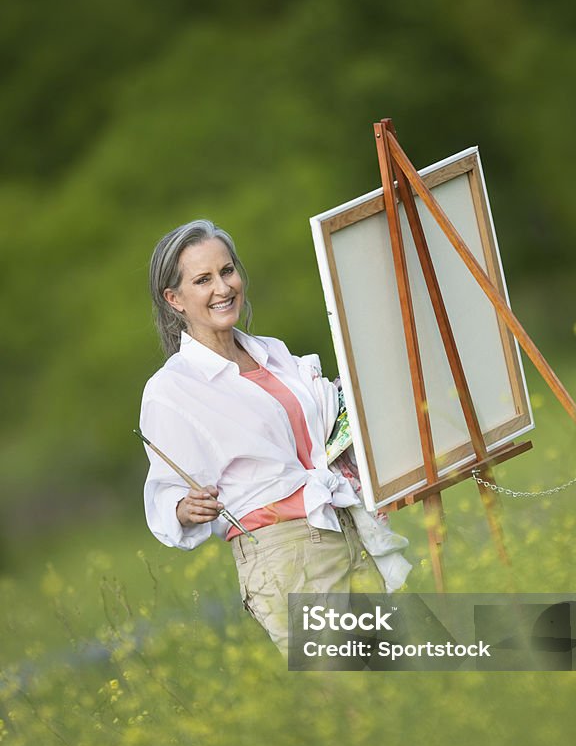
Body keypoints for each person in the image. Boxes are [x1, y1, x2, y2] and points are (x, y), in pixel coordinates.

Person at [139, 219, 410, 655]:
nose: (222, 288)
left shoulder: (273, 352)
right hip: (285, 551)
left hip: (343, 527)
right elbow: (166, 497)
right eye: (203, 280)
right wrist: (185, 508)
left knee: (398, 683)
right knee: (347, 701)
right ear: (175, 300)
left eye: (227, 271)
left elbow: (324, 436)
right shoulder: (172, 389)